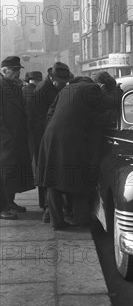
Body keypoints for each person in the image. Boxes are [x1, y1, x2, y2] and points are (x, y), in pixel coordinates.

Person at [36, 76, 122, 230]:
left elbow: (50, 112)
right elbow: (112, 103)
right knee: (78, 176)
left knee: (52, 179)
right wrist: (118, 91)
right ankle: (81, 220)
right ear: (101, 86)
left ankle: (57, 222)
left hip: (50, 135)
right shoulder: (93, 89)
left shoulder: (66, 89)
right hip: (70, 138)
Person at [30, 62, 71, 220]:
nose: (64, 84)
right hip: (42, 136)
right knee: (46, 172)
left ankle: (49, 207)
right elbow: (38, 118)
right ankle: (47, 208)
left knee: (47, 171)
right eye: (62, 82)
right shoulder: (43, 90)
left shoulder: (49, 86)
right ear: (54, 80)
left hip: (47, 134)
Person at [0, 56, 34, 219]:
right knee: (4, 174)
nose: (17, 73)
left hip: (16, 137)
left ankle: (9, 202)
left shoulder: (13, 86)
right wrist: (6, 136)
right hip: (6, 138)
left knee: (12, 172)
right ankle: (2, 208)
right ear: (3, 71)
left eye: (18, 70)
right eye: (13, 70)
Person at [22, 71, 43, 162]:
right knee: (38, 151)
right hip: (37, 126)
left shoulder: (22, 90)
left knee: (28, 152)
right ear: (37, 81)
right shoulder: (39, 92)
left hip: (24, 125)